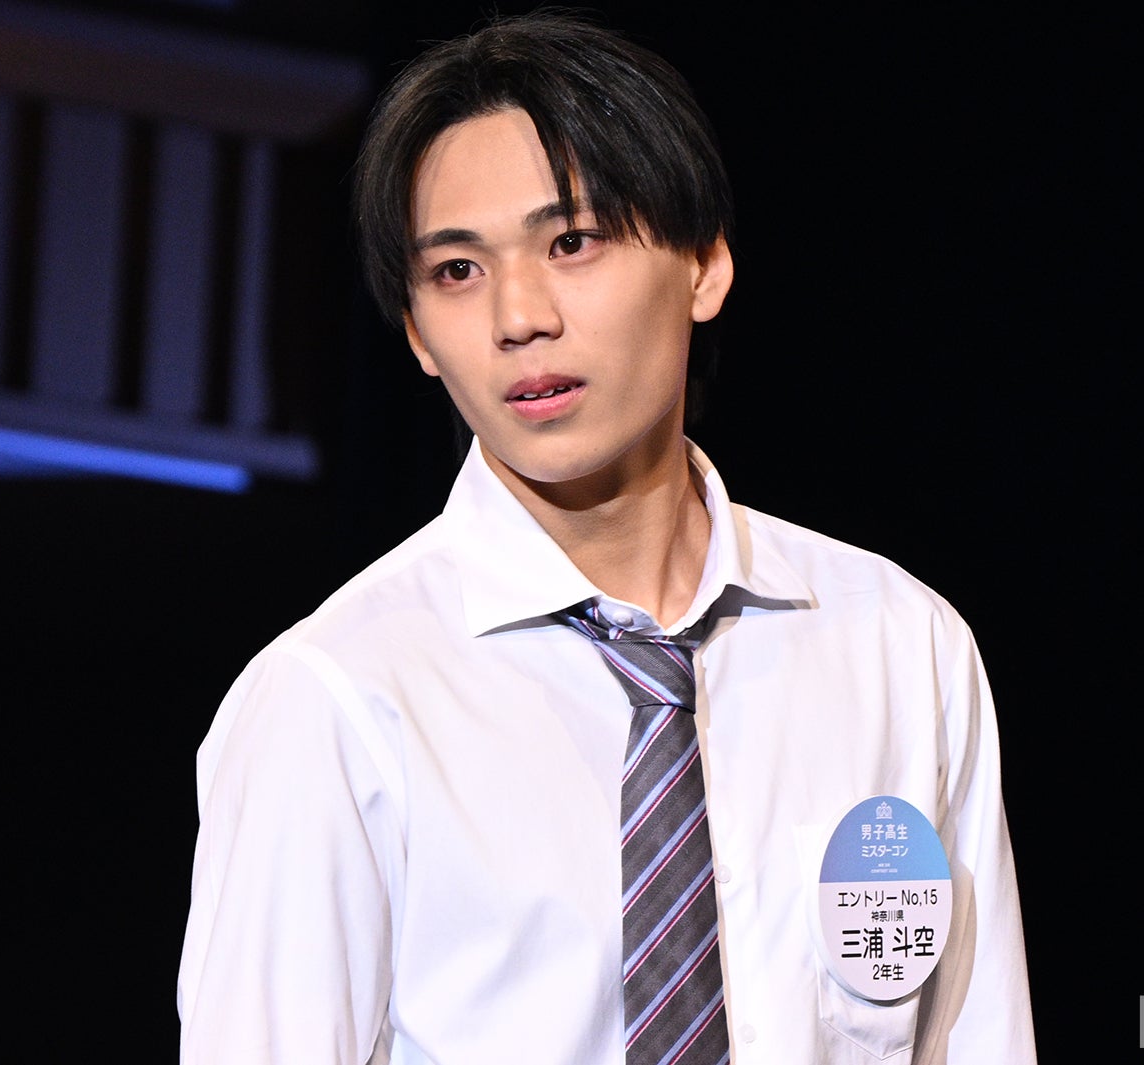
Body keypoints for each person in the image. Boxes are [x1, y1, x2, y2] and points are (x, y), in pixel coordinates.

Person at [177, 10, 1035, 1063]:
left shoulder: (898, 644)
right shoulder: (339, 698)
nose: (518, 316)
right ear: (417, 336)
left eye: (571, 243)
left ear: (704, 266)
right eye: (457, 272)